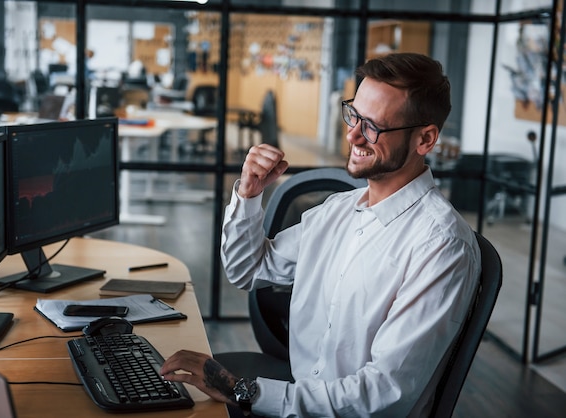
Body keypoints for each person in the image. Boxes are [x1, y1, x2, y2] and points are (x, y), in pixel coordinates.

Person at [160, 52, 481, 417]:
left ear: (425, 139)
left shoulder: (441, 245)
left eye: (373, 126)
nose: (353, 134)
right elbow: (246, 270)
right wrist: (249, 195)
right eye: (354, 115)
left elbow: (383, 393)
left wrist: (244, 391)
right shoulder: (338, 211)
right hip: (299, 399)